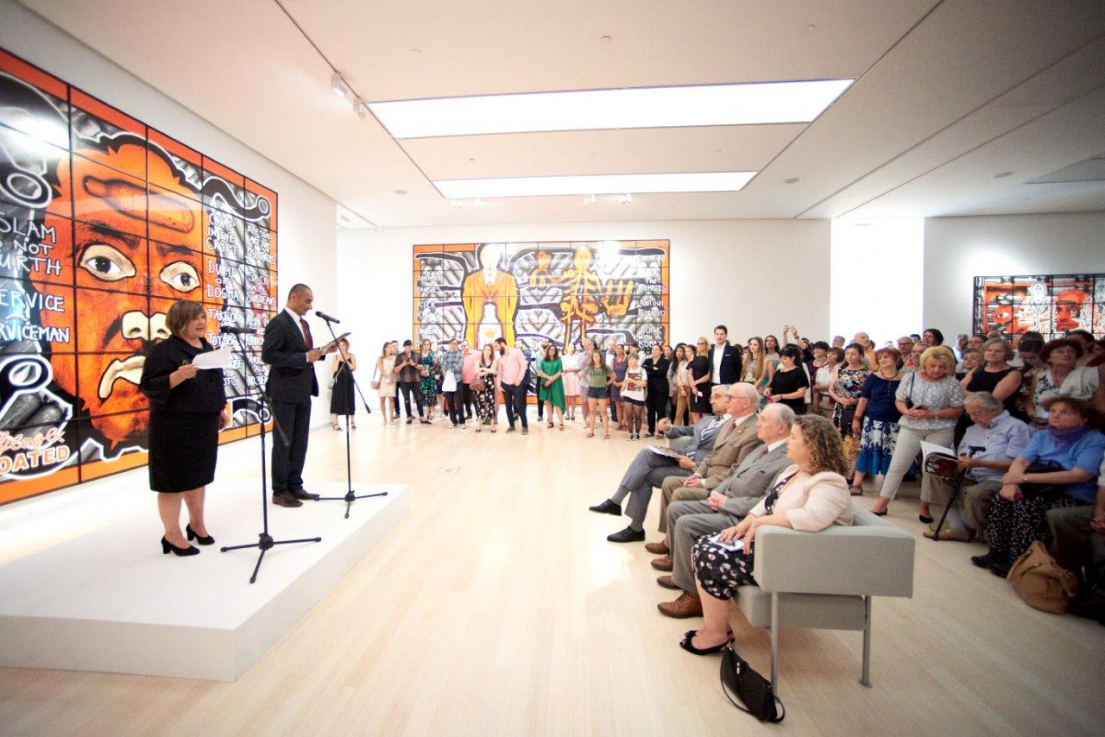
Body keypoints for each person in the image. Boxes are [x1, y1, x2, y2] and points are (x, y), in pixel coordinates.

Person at [681, 415, 853, 655]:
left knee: (711, 556)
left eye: (794, 438)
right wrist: (745, 524)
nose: (788, 442)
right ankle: (718, 628)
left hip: (797, 556)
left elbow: (812, 517)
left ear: (812, 446)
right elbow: (766, 503)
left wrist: (761, 522)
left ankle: (715, 633)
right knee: (704, 544)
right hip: (775, 544)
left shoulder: (829, 481)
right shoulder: (794, 471)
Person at [656, 404, 795, 618]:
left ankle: (693, 597)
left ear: (781, 427)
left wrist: (726, 503)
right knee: (676, 509)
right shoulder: (763, 447)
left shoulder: (787, 459)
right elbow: (734, 474)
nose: (758, 423)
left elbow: (767, 502)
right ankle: (682, 575)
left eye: (763, 420)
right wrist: (717, 493)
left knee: (686, 522)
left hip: (740, 514)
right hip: (724, 498)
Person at [972, 397, 1105, 577]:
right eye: (1053, 411)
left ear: (1083, 418)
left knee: (1027, 506)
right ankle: (997, 553)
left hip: (1072, 494)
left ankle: (1019, 562)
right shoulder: (1043, 435)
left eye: (1064, 412)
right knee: (1003, 498)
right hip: (1040, 489)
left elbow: (1080, 474)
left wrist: (1024, 478)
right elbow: (1021, 461)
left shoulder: (1094, 440)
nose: (1055, 415)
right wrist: (1012, 483)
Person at [138, 300, 230, 556]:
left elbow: (214, 383)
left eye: (202, 317)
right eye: (194, 318)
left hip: (203, 423)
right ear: (179, 322)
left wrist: (220, 409)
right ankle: (172, 534)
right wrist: (177, 376)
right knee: (173, 482)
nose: (201, 322)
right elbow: (148, 386)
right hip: (173, 426)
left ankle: (197, 524)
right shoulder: (164, 351)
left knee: (199, 477)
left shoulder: (207, 348)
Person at [589, 387, 731, 526]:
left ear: (729, 399)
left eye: (717, 397)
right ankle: (617, 502)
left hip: (697, 470)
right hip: (683, 457)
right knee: (647, 453)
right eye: (711, 397)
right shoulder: (708, 420)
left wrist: (695, 466)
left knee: (644, 475)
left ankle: (634, 526)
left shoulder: (732, 427)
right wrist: (668, 428)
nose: (712, 401)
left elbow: (725, 461)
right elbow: (687, 430)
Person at [648, 383, 766, 545]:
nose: (727, 401)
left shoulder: (754, 430)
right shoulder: (730, 422)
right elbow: (712, 454)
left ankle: (674, 545)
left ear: (745, 403)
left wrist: (704, 482)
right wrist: (698, 473)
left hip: (721, 485)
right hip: (707, 475)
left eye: (730, 397)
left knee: (680, 493)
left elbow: (738, 470)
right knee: (669, 483)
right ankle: (669, 540)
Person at [261, 283, 336, 508]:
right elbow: (269, 355)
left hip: (303, 389)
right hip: (284, 391)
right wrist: (304, 358)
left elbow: (304, 353)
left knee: (300, 441)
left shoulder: (303, 324)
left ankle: (295, 484)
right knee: (283, 443)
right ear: (294, 297)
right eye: (307, 301)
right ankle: (280, 490)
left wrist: (322, 352)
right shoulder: (279, 323)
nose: (310, 306)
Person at [920, 391, 1031, 541]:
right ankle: (957, 526)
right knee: (937, 473)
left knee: (975, 493)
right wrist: (951, 463)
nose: (972, 418)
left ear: (993, 410)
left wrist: (979, 463)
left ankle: (965, 526)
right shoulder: (972, 429)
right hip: (970, 473)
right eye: (969, 414)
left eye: (976, 414)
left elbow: (1018, 463)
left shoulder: (1016, 427)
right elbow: (962, 454)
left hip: (998, 478)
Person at [871, 346, 965, 517]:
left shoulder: (952, 383)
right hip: (912, 426)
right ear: (924, 364)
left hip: (941, 428)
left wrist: (932, 414)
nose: (937, 370)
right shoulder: (910, 377)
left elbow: (958, 409)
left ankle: (924, 506)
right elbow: (899, 400)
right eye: (933, 366)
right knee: (897, 465)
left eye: (941, 367)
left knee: (930, 469)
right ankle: (881, 504)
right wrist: (907, 411)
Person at [851, 347, 905, 495]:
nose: (882, 360)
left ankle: (888, 489)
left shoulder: (904, 379)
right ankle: (856, 484)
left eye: (886, 357)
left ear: (896, 359)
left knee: (892, 453)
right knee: (866, 450)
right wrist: (856, 419)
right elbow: (863, 400)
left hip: (895, 422)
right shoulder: (872, 377)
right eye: (880, 358)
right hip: (873, 421)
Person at [1027, 338, 1104, 427]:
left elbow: (1101, 407)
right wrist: (1033, 415)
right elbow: (1029, 402)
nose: (1066, 354)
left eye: (1071, 351)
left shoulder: (1090, 374)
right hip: (1041, 427)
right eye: (1060, 351)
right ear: (1048, 358)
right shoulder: (1039, 376)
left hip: (1079, 428)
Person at [828, 343, 869, 474]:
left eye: (853, 354)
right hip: (840, 409)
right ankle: (840, 470)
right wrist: (839, 399)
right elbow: (831, 389)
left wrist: (854, 401)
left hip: (857, 409)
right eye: (847, 354)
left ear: (860, 355)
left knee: (853, 441)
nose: (850, 357)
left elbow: (867, 395)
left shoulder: (867, 373)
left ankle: (851, 473)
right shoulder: (840, 370)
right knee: (839, 439)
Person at [495, 337, 530, 435]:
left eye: (497, 346)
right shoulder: (500, 359)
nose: (496, 349)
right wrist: (498, 385)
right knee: (508, 406)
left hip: (517, 384)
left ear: (502, 344)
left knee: (519, 405)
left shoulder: (516, 352)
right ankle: (511, 425)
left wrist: (519, 379)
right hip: (505, 385)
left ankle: (524, 426)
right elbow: (499, 373)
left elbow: (524, 365)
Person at [765, 344, 810, 414]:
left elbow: (801, 393)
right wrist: (768, 390)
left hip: (794, 407)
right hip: (778, 407)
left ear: (793, 358)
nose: (782, 361)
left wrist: (781, 396)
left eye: (785, 359)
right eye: (781, 358)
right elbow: (772, 386)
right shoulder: (778, 372)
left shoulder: (799, 372)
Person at [584, 349, 615, 439]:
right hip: (592, 390)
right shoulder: (590, 366)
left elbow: (614, 376)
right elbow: (581, 374)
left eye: (597, 356)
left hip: (602, 390)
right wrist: (588, 383)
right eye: (594, 357)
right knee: (592, 412)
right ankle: (591, 431)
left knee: (603, 412)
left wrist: (607, 384)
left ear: (600, 357)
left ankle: (606, 433)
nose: (596, 358)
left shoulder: (605, 367)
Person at [395, 340, 426, 424]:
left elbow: (422, 367)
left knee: (418, 399)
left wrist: (414, 364)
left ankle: (422, 417)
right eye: (406, 348)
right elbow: (395, 370)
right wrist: (403, 364)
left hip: (415, 380)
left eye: (409, 347)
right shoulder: (399, 356)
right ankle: (409, 416)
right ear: (404, 347)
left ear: (411, 346)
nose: (408, 349)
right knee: (406, 399)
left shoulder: (417, 354)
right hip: (403, 381)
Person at [642, 345, 670, 437]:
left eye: (656, 349)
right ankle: (651, 430)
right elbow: (643, 368)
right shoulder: (647, 361)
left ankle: (661, 432)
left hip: (661, 390)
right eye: (653, 349)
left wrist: (650, 370)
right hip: (650, 389)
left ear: (661, 351)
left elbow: (662, 372)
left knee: (661, 410)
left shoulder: (665, 361)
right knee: (650, 410)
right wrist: (653, 368)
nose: (654, 351)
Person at [329, 338, 357, 431]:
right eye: (340, 345)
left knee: (350, 399)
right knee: (336, 400)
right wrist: (338, 360)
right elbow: (334, 369)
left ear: (347, 346)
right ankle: (335, 423)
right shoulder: (336, 357)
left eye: (343, 345)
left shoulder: (351, 355)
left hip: (349, 380)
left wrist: (345, 360)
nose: (341, 347)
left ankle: (352, 422)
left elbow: (353, 367)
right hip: (339, 381)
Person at [537, 344, 566, 430]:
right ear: (548, 350)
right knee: (548, 404)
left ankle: (561, 423)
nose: (552, 351)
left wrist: (551, 380)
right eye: (550, 349)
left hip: (556, 384)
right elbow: (540, 372)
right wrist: (548, 378)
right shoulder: (543, 361)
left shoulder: (558, 361)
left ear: (556, 351)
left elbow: (560, 372)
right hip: (546, 384)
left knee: (557, 403)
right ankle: (550, 422)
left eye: (553, 350)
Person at [440, 338, 466, 428]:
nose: (454, 345)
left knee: (459, 402)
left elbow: (459, 366)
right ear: (449, 344)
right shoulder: (445, 354)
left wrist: (449, 367)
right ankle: (453, 421)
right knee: (450, 402)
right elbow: (443, 366)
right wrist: (447, 373)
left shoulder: (460, 354)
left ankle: (462, 421)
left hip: (458, 380)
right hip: (448, 380)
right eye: (453, 343)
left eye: (456, 343)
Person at [473, 344, 499, 432]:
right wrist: (488, 371)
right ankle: (479, 425)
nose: (487, 351)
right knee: (480, 403)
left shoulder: (494, 361)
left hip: (490, 384)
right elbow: (476, 373)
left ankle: (492, 425)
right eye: (485, 349)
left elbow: (493, 371)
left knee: (491, 403)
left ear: (491, 352)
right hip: (480, 384)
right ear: (483, 351)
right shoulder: (478, 361)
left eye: (489, 350)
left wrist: (482, 369)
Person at [621, 353, 647, 440]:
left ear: (637, 359)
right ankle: (630, 433)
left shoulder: (642, 370)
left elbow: (644, 384)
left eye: (632, 359)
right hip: (628, 394)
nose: (631, 361)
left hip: (638, 395)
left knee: (637, 416)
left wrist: (633, 381)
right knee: (629, 415)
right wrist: (622, 390)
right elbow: (625, 381)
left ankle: (637, 433)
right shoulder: (628, 370)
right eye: (629, 359)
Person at [687, 337, 713, 423]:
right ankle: (697, 430)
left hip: (705, 387)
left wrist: (697, 382)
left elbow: (709, 374)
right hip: (694, 388)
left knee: (705, 412)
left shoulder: (710, 357)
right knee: (694, 412)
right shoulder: (693, 357)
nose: (699, 345)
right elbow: (689, 373)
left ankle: (705, 430)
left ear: (706, 345)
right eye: (698, 343)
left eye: (702, 344)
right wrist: (693, 386)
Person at [810, 341, 834, 420]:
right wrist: (815, 403)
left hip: (833, 400)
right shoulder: (820, 368)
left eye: (820, 348)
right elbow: (816, 386)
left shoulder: (839, 369)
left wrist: (819, 387)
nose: (817, 350)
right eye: (815, 348)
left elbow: (836, 386)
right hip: (817, 397)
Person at [418, 338, 440, 422]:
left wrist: (428, 371)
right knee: (424, 395)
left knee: (431, 395)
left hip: (430, 377)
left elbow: (435, 365)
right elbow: (417, 365)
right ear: (422, 345)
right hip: (421, 377)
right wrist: (421, 372)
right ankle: (424, 413)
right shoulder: (419, 355)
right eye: (425, 344)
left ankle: (430, 412)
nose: (427, 345)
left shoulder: (432, 354)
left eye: (428, 344)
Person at [375, 342, 397, 425]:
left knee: (391, 399)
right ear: (385, 349)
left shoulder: (395, 358)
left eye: (392, 347)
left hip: (391, 380)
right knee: (382, 399)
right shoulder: (380, 358)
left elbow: (396, 370)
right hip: (383, 380)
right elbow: (381, 370)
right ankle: (384, 418)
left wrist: (392, 378)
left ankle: (391, 418)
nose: (391, 349)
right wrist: (387, 377)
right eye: (389, 347)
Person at [610, 344, 629, 431]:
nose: (618, 350)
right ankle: (620, 423)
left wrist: (622, 383)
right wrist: (614, 382)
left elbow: (629, 373)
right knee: (617, 405)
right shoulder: (613, 360)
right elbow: (610, 372)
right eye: (617, 348)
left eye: (620, 348)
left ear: (623, 349)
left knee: (624, 405)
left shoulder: (627, 360)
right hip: (615, 385)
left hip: (624, 385)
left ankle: (624, 423)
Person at [672, 344, 691, 425]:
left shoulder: (694, 362)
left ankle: (691, 430)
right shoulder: (682, 363)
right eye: (686, 351)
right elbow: (678, 376)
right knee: (678, 412)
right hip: (681, 388)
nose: (687, 353)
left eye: (688, 351)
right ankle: (675, 430)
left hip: (691, 388)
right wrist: (682, 388)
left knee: (691, 413)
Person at [561, 343, 582, 421]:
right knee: (566, 397)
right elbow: (562, 368)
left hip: (574, 377)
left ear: (574, 349)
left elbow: (578, 368)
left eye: (572, 347)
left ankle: (573, 414)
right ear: (567, 348)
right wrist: (571, 369)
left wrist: (569, 369)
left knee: (573, 397)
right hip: (565, 377)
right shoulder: (563, 357)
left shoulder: (577, 357)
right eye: (570, 347)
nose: (571, 348)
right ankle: (567, 414)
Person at [461, 340, 479, 421]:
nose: (463, 347)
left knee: (475, 398)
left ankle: (479, 415)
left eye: (465, 345)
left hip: (473, 380)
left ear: (469, 345)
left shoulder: (476, 353)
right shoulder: (461, 355)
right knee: (466, 399)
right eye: (462, 346)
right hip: (463, 380)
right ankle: (469, 414)